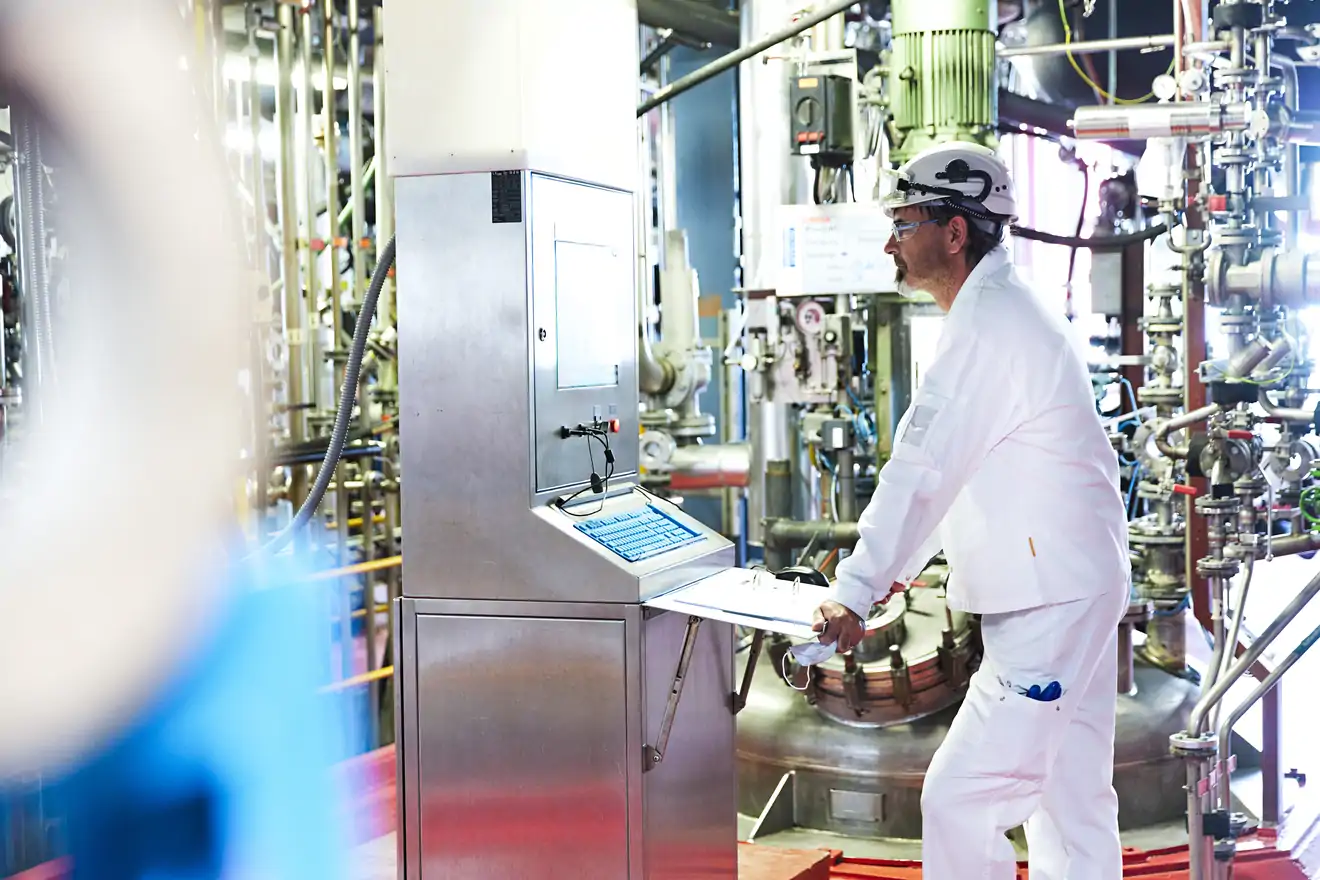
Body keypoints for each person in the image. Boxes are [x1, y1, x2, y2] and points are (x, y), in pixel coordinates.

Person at [812, 141, 1130, 880]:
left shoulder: (987, 329)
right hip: (1072, 586)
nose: (891, 240)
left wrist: (857, 589)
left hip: (1048, 603)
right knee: (1069, 800)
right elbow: (957, 477)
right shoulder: (996, 314)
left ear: (955, 232)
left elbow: (921, 473)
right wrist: (893, 574)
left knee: (963, 798)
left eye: (905, 221)